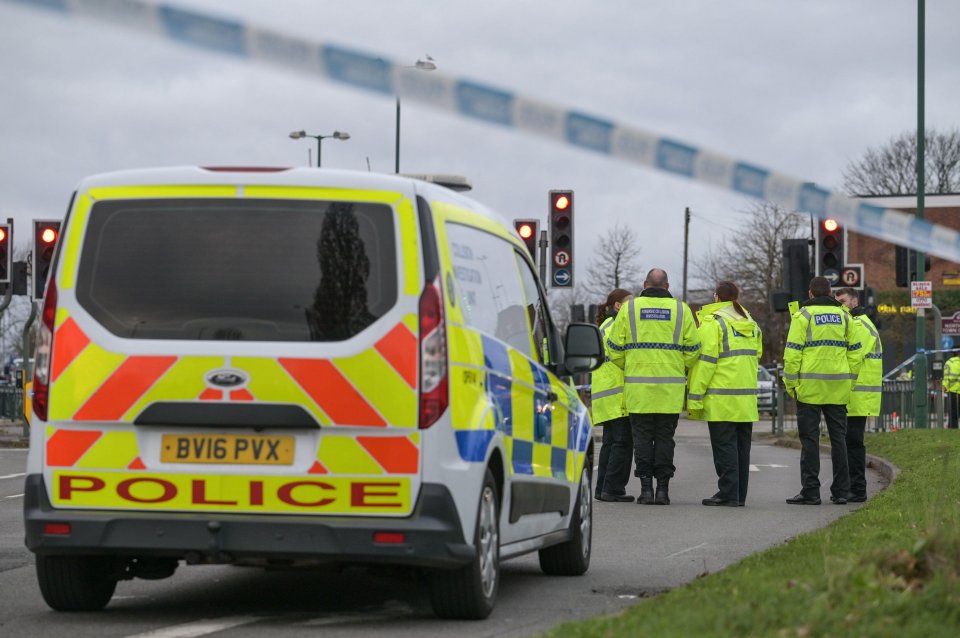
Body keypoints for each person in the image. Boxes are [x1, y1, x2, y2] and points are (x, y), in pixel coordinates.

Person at [608, 268, 700, 505]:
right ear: (667, 287)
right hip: (670, 391)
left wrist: (630, 366)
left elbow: (614, 349)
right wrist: (679, 367)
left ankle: (646, 490)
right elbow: (693, 350)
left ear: (645, 284)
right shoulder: (682, 310)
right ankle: (663, 491)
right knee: (665, 439)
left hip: (639, 390)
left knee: (642, 439)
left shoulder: (629, 309)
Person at [783, 276, 863, 505]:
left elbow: (792, 354)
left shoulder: (803, 316)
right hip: (838, 387)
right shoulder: (845, 317)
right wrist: (850, 380)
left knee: (810, 441)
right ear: (830, 293)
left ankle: (811, 491)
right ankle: (840, 492)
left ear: (810, 294)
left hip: (809, 388)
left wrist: (792, 385)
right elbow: (856, 353)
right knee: (839, 439)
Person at [687, 281, 762, 507]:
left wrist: (695, 397)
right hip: (746, 399)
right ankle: (738, 494)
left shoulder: (714, 323)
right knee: (741, 449)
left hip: (721, 398)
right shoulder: (751, 323)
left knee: (724, 449)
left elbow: (705, 364)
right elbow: (757, 355)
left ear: (717, 297)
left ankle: (727, 493)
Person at [834, 287, 882, 502]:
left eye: (842, 301)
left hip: (856, 393)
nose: (840, 305)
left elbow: (852, 357)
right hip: (856, 393)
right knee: (851, 442)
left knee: (853, 444)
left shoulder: (860, 325)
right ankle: (854, 488)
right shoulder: (858, 323)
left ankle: (857, 489)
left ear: (853, 302)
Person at [592, 288, 635, 502]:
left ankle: (602, 488)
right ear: (618, 305)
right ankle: (613, 489)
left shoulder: (604, 325)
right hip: (617, 391)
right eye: (629, 302)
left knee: (611, 441)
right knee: (623, 442)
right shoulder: (617, 325)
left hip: (606, 391)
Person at [943, 352, 960, 429]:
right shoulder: (955, 362)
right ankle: (951, 427)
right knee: (954, 411)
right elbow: (954, 376)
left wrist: (945, 386)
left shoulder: (949, 362)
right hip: (956, 391)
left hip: (953, 391)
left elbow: (948, 377)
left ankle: (953, 428)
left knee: (953, 412)